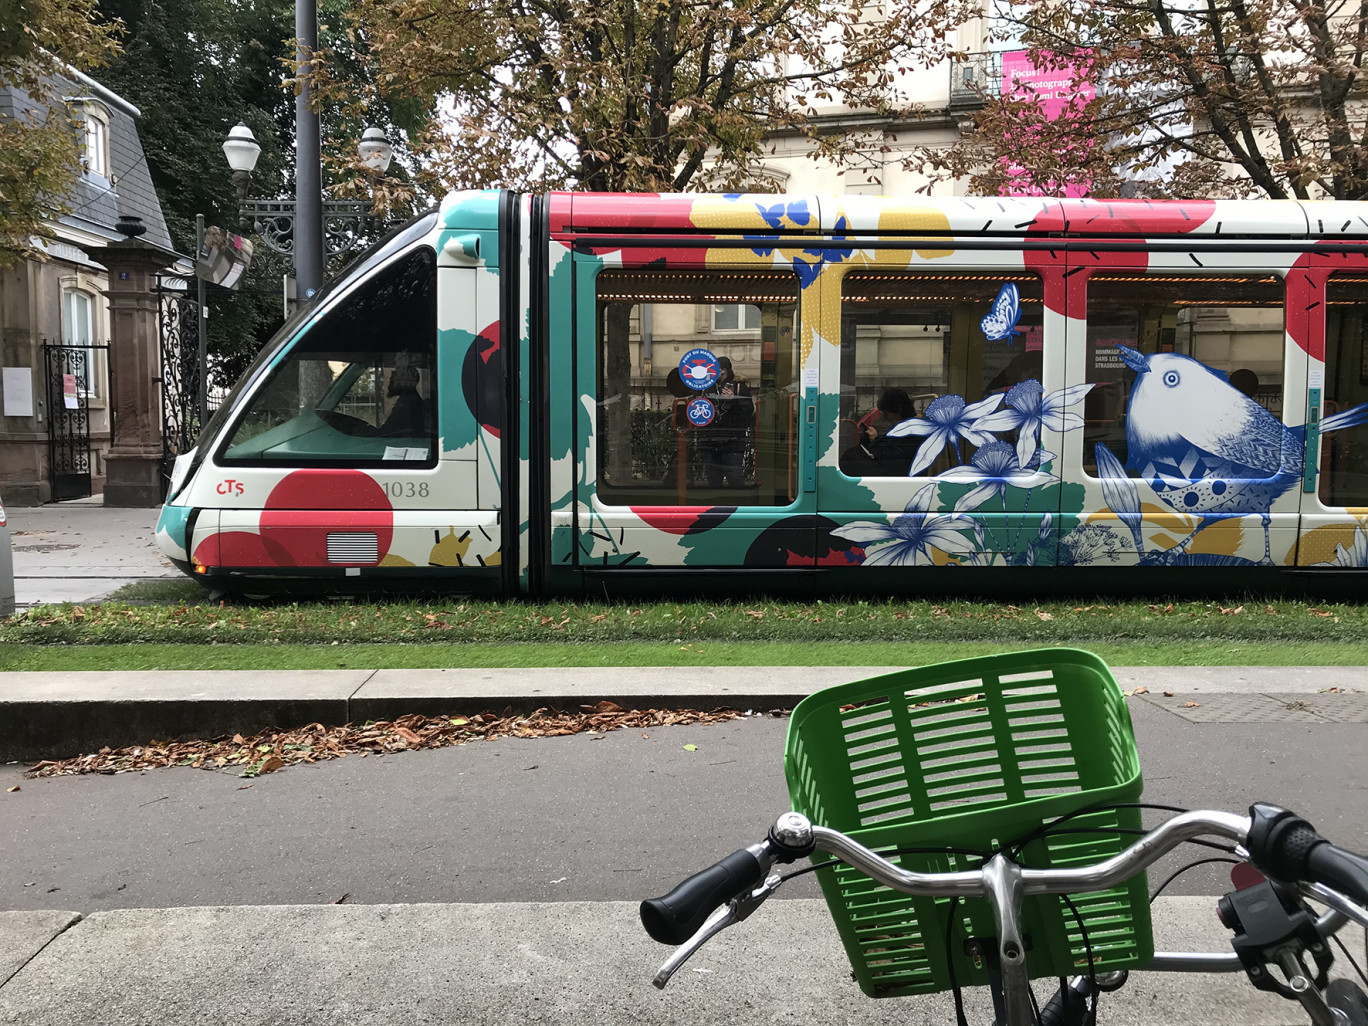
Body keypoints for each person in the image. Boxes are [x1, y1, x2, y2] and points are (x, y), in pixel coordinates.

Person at [699, 356, 753, 488]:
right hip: (710, 441)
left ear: (723, 371)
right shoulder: (706, 388)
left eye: (712, 370)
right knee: (713, 480)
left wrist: (733, 400)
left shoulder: (739, 386)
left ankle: (739, 506)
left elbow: (748, 411)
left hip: (732, 441)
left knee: (734, 479)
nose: (709, 373)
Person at [842, 387, 919, 476]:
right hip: (891, 466)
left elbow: (893, 457)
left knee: (851, 460)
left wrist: (875, 441)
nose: (886, 418)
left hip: (897, 472)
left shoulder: (912, 431)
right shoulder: (905, 427)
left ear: (898, 410)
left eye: (887, 413)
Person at [379, 365, 427, 436]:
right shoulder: (407, 401)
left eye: (395, 374)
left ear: (407, 381)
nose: (391, 378)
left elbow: (388, 433)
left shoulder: (408, 405)